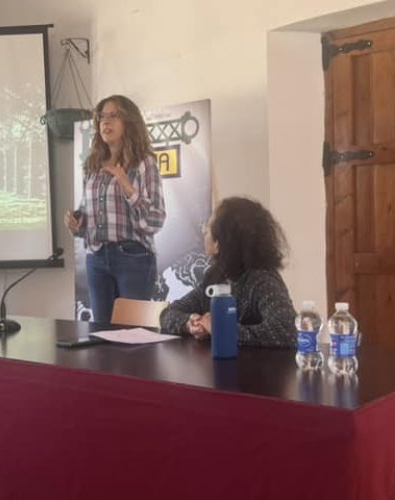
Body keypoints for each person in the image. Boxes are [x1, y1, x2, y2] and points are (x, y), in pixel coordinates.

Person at [65, 95, 166, 322]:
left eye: (113, 116)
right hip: (97, 258)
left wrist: (128, 186)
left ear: (129, 122)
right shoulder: (92, 165)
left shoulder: (144, 162)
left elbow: (156, 220)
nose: (105, 122)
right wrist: (77, 221)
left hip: (133, 258)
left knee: (133, 337)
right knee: (101, 337)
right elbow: (87, 213)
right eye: (101, 117)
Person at [160, 197, 297, 348]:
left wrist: (222, 330)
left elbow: (288, 331)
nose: (204, 230)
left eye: (209, 226)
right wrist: (190, 323)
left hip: (258, 369)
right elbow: (168, 313)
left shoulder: (263, 281)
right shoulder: (216, 277)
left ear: (219, 243)